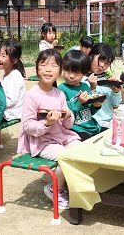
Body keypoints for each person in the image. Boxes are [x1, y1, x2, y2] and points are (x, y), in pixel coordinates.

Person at [18, 49, 80, 210]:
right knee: (65, 156)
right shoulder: (32, 95)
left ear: (60, 71)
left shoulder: (59, 94)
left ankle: (73, 186)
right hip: (42, 141)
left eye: (54, 65)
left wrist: (67, 115)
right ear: (37, 68)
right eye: (43, 64)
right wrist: (46, 123)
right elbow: (27, 126)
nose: (48, 69)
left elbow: (69, 125)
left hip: (61, 136)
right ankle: (55, 189)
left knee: (80, 150)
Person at [59, 50, 107, 140]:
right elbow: (64, 114)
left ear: (84, 74)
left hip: (93, 126)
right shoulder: (61, 90)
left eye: (77, 72)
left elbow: (89, 112)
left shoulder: (85, 86)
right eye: (68, 71)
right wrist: (79, 102)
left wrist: (95, 106)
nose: (71, 76)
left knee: (111, 135)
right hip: (76, 130)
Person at [84, 43, 123, 129]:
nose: (102, 65)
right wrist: (92, 88)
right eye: (101, 60)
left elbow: (115, 104)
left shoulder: (105, 80)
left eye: (107, 63)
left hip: (110, 120)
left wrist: (116, 91)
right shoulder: (81, 79)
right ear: (91, 55)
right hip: (93, 123)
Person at [0, 40, 26, 121]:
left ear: (14, 60)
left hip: (11, 113)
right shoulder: (5, 75)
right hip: (5, 110)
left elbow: (11, 101)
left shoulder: (15, 76)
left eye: (3, 56)